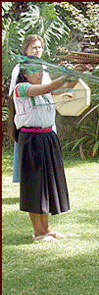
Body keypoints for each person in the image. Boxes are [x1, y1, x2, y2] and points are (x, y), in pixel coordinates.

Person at [12, 56, 91, 242]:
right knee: (34, 185)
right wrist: (71, 71)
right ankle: (38, 232)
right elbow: (50, 87)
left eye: (40, 70)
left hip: (47, 137)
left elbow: (64, 88)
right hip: (31, 139)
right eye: (34, 71)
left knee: (46, 184)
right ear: (24, 74)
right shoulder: (21, 88)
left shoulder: (43, 89)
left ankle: (46, 229)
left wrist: (78, 73)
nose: (39, 74)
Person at [8, 34, 53, 184]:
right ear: (26, 50)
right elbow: (17, 92)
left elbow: (48, 89)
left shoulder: (44, 68)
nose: (37, 50)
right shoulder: (19, 69)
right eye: (34, 47)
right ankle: (28, 184)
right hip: (27, 119)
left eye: (39, 47)